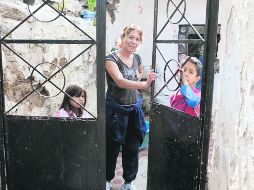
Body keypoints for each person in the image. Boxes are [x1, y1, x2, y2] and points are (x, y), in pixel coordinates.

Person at [105, 24, 157, 190]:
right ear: (123, 37)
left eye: (137, 38)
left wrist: (140, 82)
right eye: (130, 37)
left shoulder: (138, 58)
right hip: (116, 110)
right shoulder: (110, 58)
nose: (133, 41)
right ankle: (106, 180)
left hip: (134, 109)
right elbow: (119, 81)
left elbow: (139, 73)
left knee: (133, 147)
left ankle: (129, 182)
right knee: (112, 146)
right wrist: (143, 85)